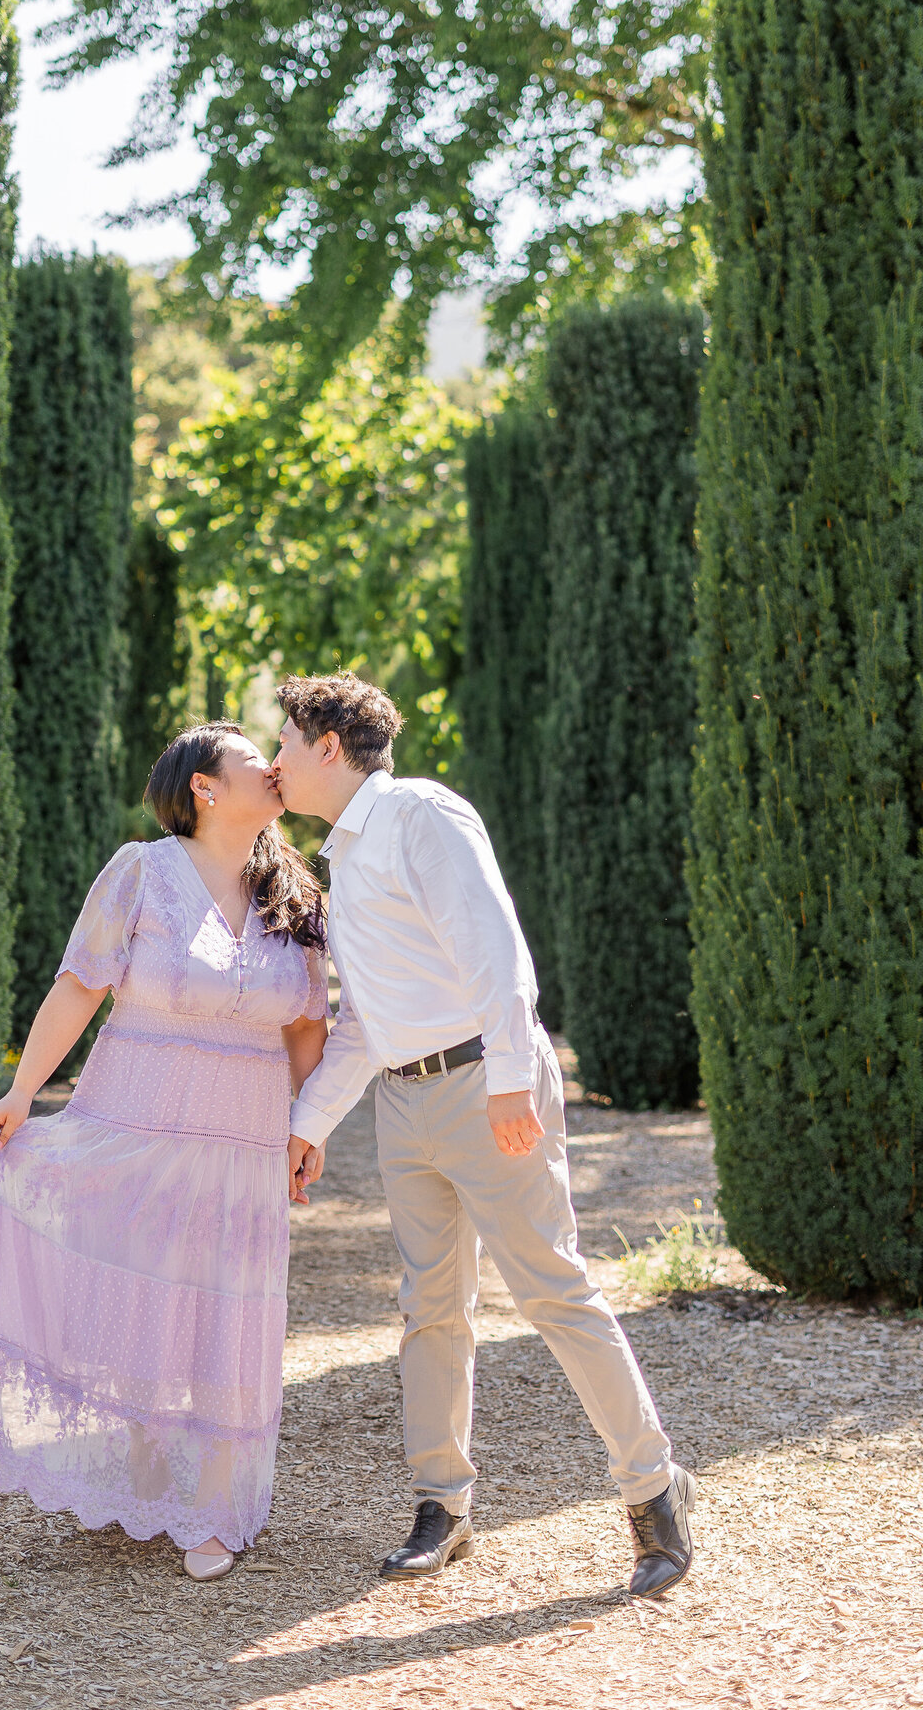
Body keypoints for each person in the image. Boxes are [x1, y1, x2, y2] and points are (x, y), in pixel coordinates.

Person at [272, 674, 695, 1597]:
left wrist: (510, 1079)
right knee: (430, 1308)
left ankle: (654, 1492)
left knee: (553, 1292)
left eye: (286, 743)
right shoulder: (344, 858)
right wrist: (308, 1123)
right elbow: (364, 1019)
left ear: (330, 747)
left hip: (482, 1084)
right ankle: (443, 1507)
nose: (276, 761)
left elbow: (496, 948)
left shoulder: (421, 813)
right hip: (404, 1103)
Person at [0, 723, 329, 1582]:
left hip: (242, 1136)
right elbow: (81, 984)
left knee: (231, 1305)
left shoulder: (294, 889)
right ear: (203, 786)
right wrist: (22, 1091)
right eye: (252, 760)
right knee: (140, 1287)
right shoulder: (140, 872)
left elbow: (308, 1023)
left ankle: (217, 1509)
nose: (274, 769)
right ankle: (146, 1475)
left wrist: (308, 1128)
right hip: (136, 1115)